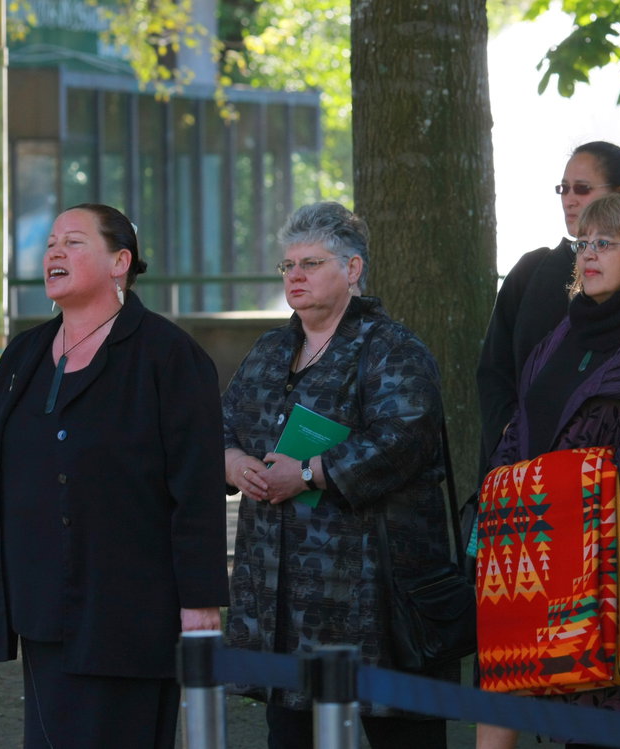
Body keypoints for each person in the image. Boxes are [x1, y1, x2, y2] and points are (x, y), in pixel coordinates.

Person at [0, 203, 230, 748]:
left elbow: (196, 487)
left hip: (131, 611)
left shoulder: (169, 356)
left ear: (120, 261)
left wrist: (200, 600)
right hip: (44, 606)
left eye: (73, 242)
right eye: (51, 242)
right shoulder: (25, 354)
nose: (54, 251)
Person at [222, 201, 454, 748]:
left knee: (401, 734)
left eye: (311, 263)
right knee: (290, 734)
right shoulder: (270, 349)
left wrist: (309, 473)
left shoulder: (391, 349)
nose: (295, 276)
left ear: (352, 269)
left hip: (372, 597)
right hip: (281, 598)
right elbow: (221, 423)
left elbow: (404, 438)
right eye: (288, 265)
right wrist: (231, 462)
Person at [475, 193, 620, 749]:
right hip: (542, 549)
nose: (588, 254)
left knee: (615, 716)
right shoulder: (562, 333)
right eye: (583, 243)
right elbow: (522, 424)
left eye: (604, 243)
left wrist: (563, 485)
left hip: (616, 558)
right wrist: (504, 487)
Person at [477, 141, 620, 475]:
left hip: (603, 477)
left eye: (582, 188)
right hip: (518, 469)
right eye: (564, 189)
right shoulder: (531, 270)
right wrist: (510, 435)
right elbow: (494, 370)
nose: (569, 199)